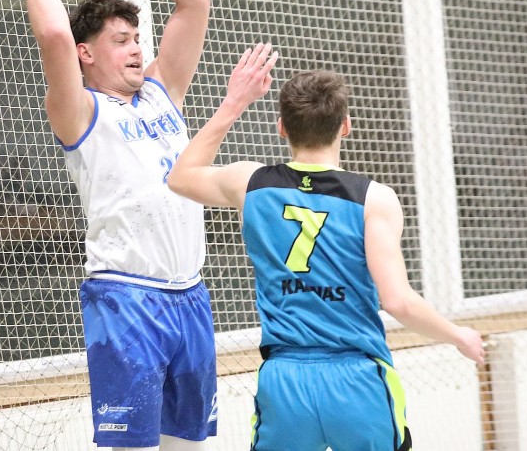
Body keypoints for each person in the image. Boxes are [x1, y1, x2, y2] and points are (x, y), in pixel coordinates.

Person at [0, 0, 216, 451]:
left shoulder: (162, 91)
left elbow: (196, 0)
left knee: (189, 446)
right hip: (127, 298)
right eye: (120, 40)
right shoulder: (80, 111)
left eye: (136, 37)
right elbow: (55, 38)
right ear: (88, 55)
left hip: (191, 294)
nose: (136, 48)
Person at [167, 45, 486, 451]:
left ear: (282, 127)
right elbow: (397, 301)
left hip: (285, 380)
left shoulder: (251, 184)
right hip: (357, 378)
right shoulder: (374, 199)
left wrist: (235, 103)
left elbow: (180, 177)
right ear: (345, 125)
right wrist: (458, 335)